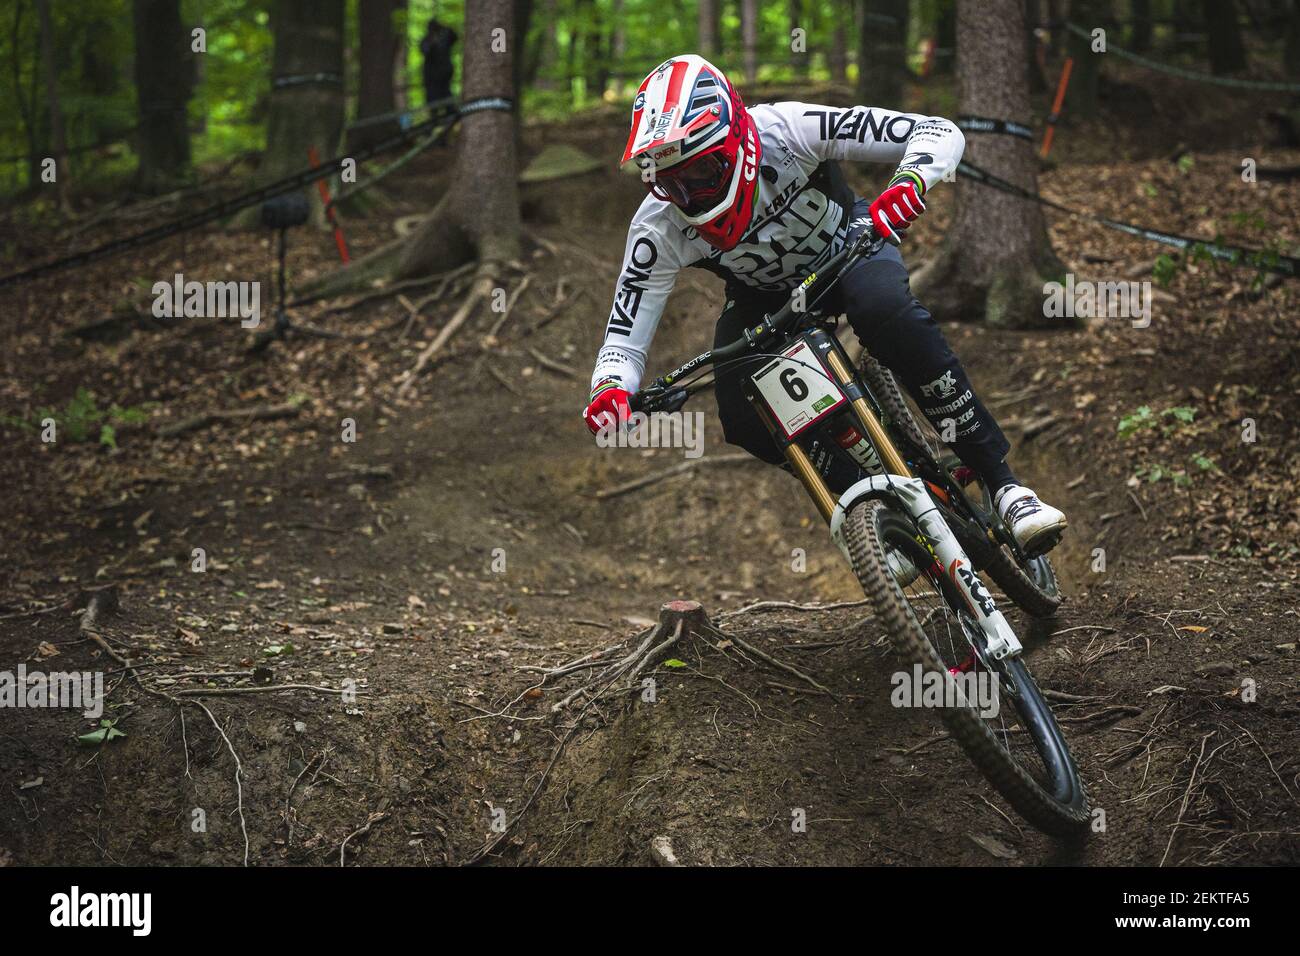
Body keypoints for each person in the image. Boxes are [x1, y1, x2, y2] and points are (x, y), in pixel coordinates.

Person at [581, 55, 1067, 555]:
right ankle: (883, 508)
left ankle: (1005, 486)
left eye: (702, 169)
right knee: (741, 415)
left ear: (735, 141)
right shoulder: (657, 225)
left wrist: (910, 182)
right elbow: (625, 331)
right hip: (763, 296)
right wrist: (611, 388)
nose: (690, 193)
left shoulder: (787, 129)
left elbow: (935, 131)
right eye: (672, 182)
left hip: (848, 248)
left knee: (884, 310)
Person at [420, 16, 458, 105]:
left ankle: (450, 115)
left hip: (444, 73)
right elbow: (425, 51)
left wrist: (444, 27)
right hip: (431, 76)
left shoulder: (444, 38)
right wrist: (432, 43)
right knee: (432, 96)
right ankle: (435, 116)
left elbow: (454, 37)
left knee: (446, 93)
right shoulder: (426, 40)